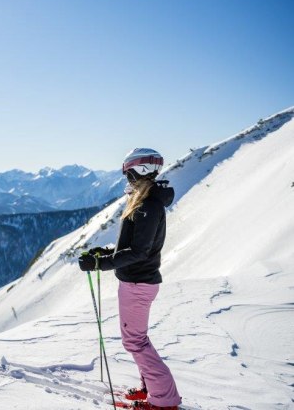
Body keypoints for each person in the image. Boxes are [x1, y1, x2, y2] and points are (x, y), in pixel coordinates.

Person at [79, 148, 182, 410]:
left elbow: (139, 252)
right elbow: (133, 245)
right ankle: (152, 391)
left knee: (135, 342)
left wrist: (101, 263)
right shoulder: (146, 202)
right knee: (137, 340)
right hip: (136, 281)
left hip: (138, 283)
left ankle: (163, 400)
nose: (128, 179)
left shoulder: (148, 205)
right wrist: (104, 253)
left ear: (137, 171)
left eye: (129, 174)